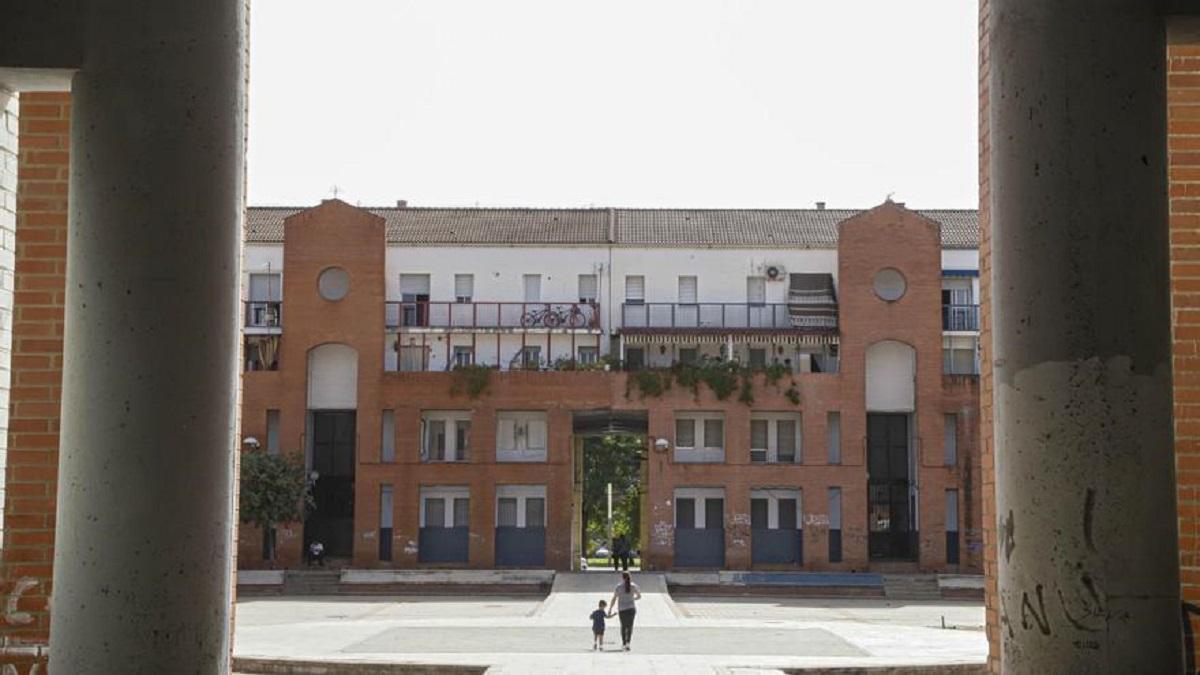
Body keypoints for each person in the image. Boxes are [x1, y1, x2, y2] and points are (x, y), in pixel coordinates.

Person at [607, 571, 641, 651]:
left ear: (622, 577)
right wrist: (633, 599)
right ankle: (628, 643)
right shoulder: (633, 586)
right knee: (630, 626)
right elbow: (639, 596)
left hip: (622, 609)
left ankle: (624, 643)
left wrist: (610, 608)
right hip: (631, 608)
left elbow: (614, 598)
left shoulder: (618, 587)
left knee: (623, 626)